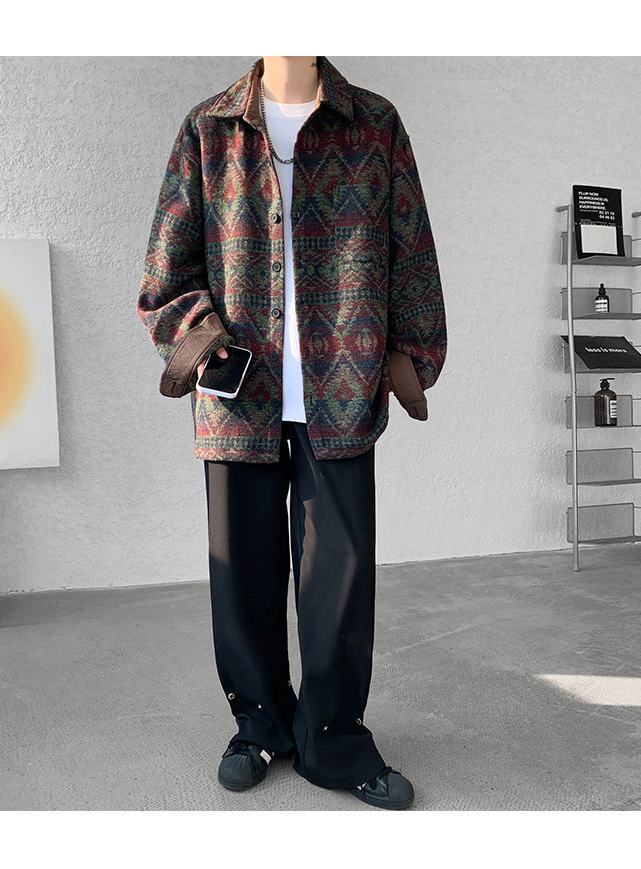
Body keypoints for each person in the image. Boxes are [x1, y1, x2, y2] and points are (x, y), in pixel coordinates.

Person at [137, 55, 446, 810]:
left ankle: (334, 739)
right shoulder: (208, 129)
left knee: (339, 578)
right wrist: (201, 338)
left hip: (342, 387)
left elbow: (411, 250)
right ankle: (259, 725)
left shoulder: (374, 124)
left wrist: (413, 352)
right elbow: (167, 270)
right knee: (240, 570)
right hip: (238, 392)